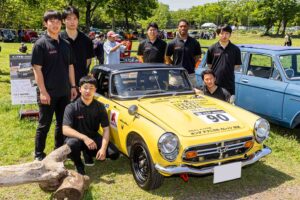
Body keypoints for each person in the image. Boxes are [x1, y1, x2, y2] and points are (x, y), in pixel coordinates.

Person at [31, 10, 77, 161]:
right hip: (48, 93)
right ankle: (38, 154)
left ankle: (58, 152)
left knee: (62, 124)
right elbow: (37, 69)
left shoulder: (65, 44)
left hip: (64, 92)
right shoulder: (40, 44)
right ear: (45, 23)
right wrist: (43, 92)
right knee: (44, 124)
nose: (56, 24)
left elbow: (70, 66)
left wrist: (73, 86)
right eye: (52, 21)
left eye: (58, 21)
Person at [63, 75, 120, 175]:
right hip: (77, 139)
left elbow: (106, 129)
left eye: (91, 88)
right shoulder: (71, 107)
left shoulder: (100, 106)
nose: (88, 91)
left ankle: (88, 153)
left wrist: (102, 149)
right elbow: (65, 129)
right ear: (80, 89)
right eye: (85, 88)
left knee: (114, 154)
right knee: (71, 144)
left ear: (95, 90)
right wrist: (84, 138)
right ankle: (78, 164)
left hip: (93, 137)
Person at [61, 6, 94, 87]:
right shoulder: (58, 39)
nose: (72, 22)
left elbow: (88, 60)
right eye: (69, 19)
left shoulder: (86, 40)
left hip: (81, 81)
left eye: (75, 18)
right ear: (63, 21)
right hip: (62, 82)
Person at [206, 24, 241, 96]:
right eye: (222, 33)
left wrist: (226, 70)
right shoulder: (212, 48)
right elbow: (209, 65)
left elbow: (237, 66)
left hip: (229, 84)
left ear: (230, 34)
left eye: (227, 33)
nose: (224, 36)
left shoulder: (235, 49)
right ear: (218, 34)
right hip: (214, 84)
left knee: (228, 104)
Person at [165, 19, 201, 86]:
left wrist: (192, 63)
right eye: (181, 26)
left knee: (193, 94)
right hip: (176, 75)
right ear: (178, 27)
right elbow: (167, 57)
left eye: (185, 26)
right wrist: (174, 64)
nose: (183, 28)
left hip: (190, 74)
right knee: (174, 94)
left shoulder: (195, 42)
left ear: (188, 27)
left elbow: (198, 56)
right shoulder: (172, 43)